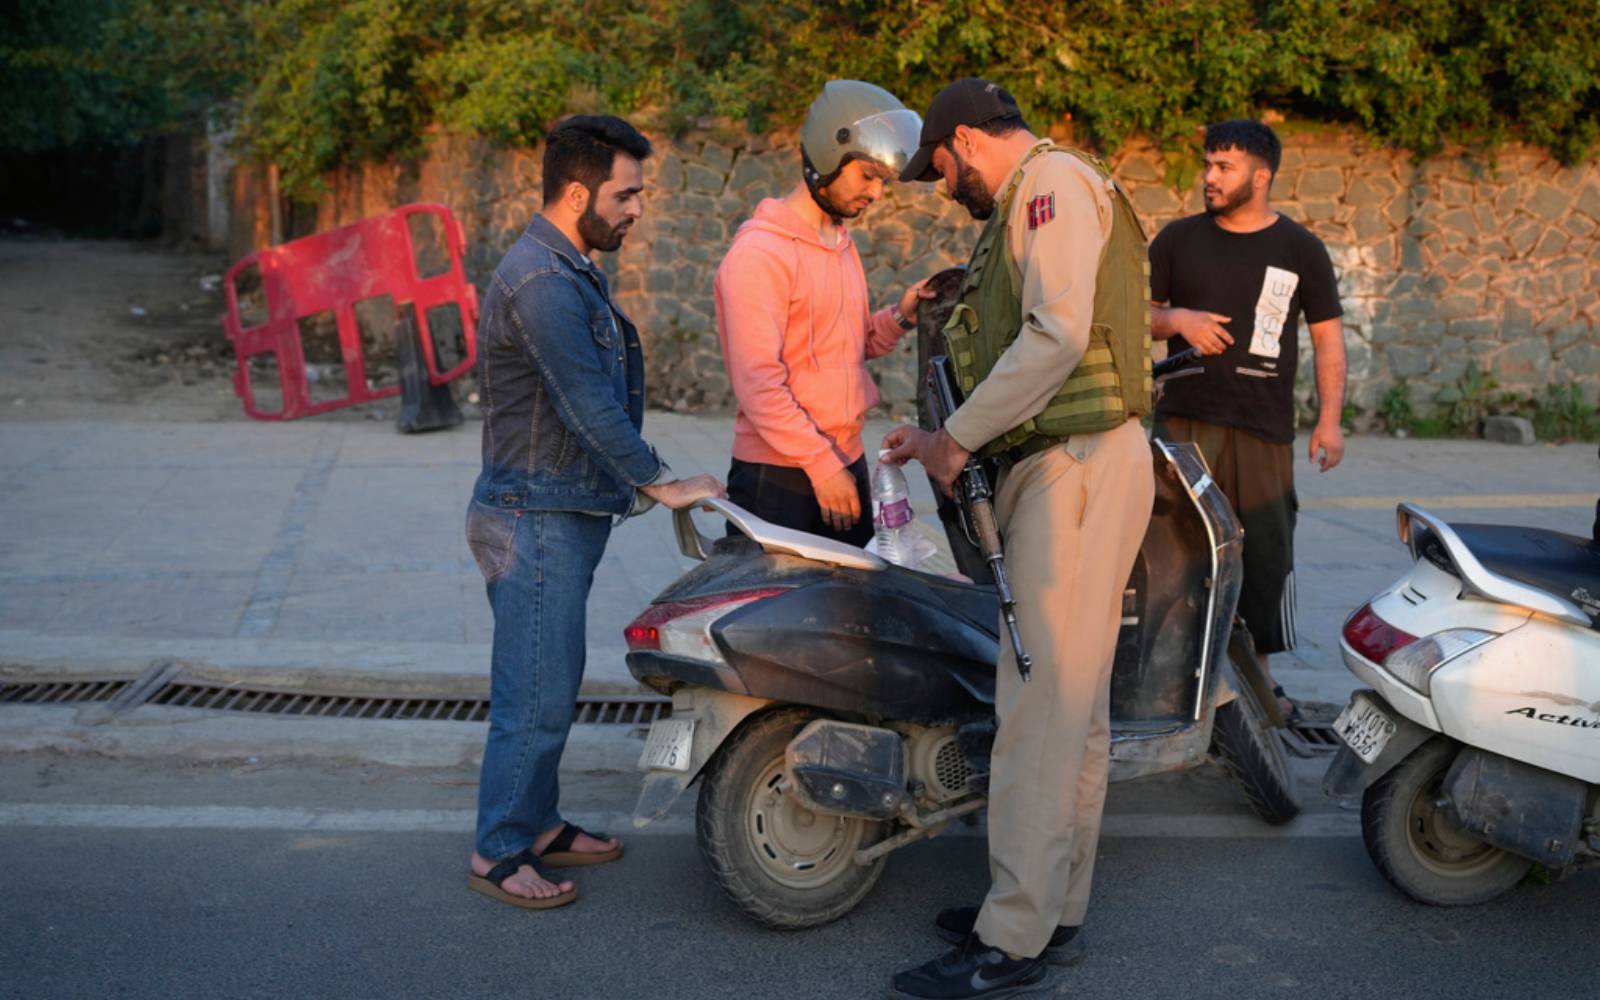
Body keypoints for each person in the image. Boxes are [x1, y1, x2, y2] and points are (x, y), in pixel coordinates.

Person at [882, 79, 1156, 998]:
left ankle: (1011, 938)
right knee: (1070, 707)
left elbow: (1056, 335)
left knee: (1039, 707)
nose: (942, 186)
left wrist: (953, 440)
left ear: (966, 138)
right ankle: (1047, 907)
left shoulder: (1048, 186)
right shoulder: (1043, 191)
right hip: (1076, 461)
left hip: (1073, 466)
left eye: (940, 167)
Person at [463, 115, 723, 910]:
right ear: (577, 194)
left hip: (554, 509)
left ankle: (537, 821)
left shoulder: (564, 265)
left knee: (551, 680)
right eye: (626, 194)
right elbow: (585, 401)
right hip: (533, 517)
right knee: (534, 695)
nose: (637, 209)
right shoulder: (542, 281)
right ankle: (499, 849)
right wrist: (658, 480)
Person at [1149, 119, 1347, 720]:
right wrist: (1178, 320)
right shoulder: (1177, 240)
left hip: (1263, 426)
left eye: (1224, 167)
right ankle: (1170, 682)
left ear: (1260, 177)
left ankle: (1262, 686)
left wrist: (1330, 421)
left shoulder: (1300, 248)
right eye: (1208, 164)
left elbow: (1328, 340)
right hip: (1183, 423)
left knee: (1265, 552)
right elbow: (1137, 313)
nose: (1209, 177)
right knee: (1173, 553)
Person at [715, 80, 934, 545]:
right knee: (781, 598)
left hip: (842, 461)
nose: (877, 193)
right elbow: (758, 383)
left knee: (855, 594)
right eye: (869, 176)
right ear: (828, 153)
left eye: (884, 182)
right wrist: (820, 465)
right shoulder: (760, 254)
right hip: (780, 476)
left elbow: (849, 345)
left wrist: (901, 316)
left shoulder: (839, 243)